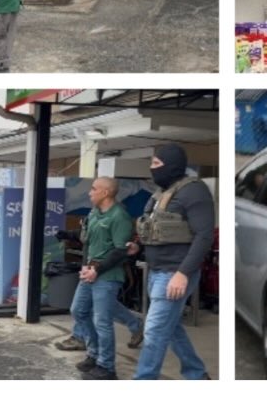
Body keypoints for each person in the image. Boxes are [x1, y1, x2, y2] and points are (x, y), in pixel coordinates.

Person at [131, 144, 215, 380]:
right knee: (172, 327)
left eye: (156, 163)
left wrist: (183, 273)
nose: (151, 168)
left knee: (155, 330)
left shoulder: (194, 191)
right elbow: (156, 230)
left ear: (172, 164)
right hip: (156, 271)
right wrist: (137, 247)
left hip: (174, 273)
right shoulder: (161, 194)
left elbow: (204, 235)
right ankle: (197, 374)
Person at [70, 177, 136, 380]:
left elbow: (120, 251)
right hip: (89, 272)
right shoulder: (94, 213)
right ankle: (94, 354)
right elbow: (88, 242)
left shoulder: (120, 216)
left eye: (93, 189)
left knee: (102, 321)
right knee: (78, 311)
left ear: (106, 193)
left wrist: (96, 270)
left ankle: (107, 367)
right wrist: (85, 266)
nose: (89, 192)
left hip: (107, 276)